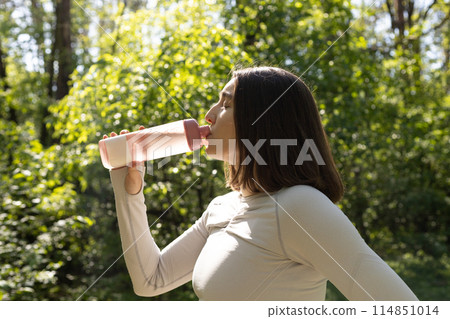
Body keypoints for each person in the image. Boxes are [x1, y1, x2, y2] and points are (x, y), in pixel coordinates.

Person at [103, 66, 418, 301]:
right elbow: (151, 279)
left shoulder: (300, 207)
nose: (209, 115)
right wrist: (127, 185)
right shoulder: (222, 208)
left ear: (263, 122)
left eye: (226, 105)